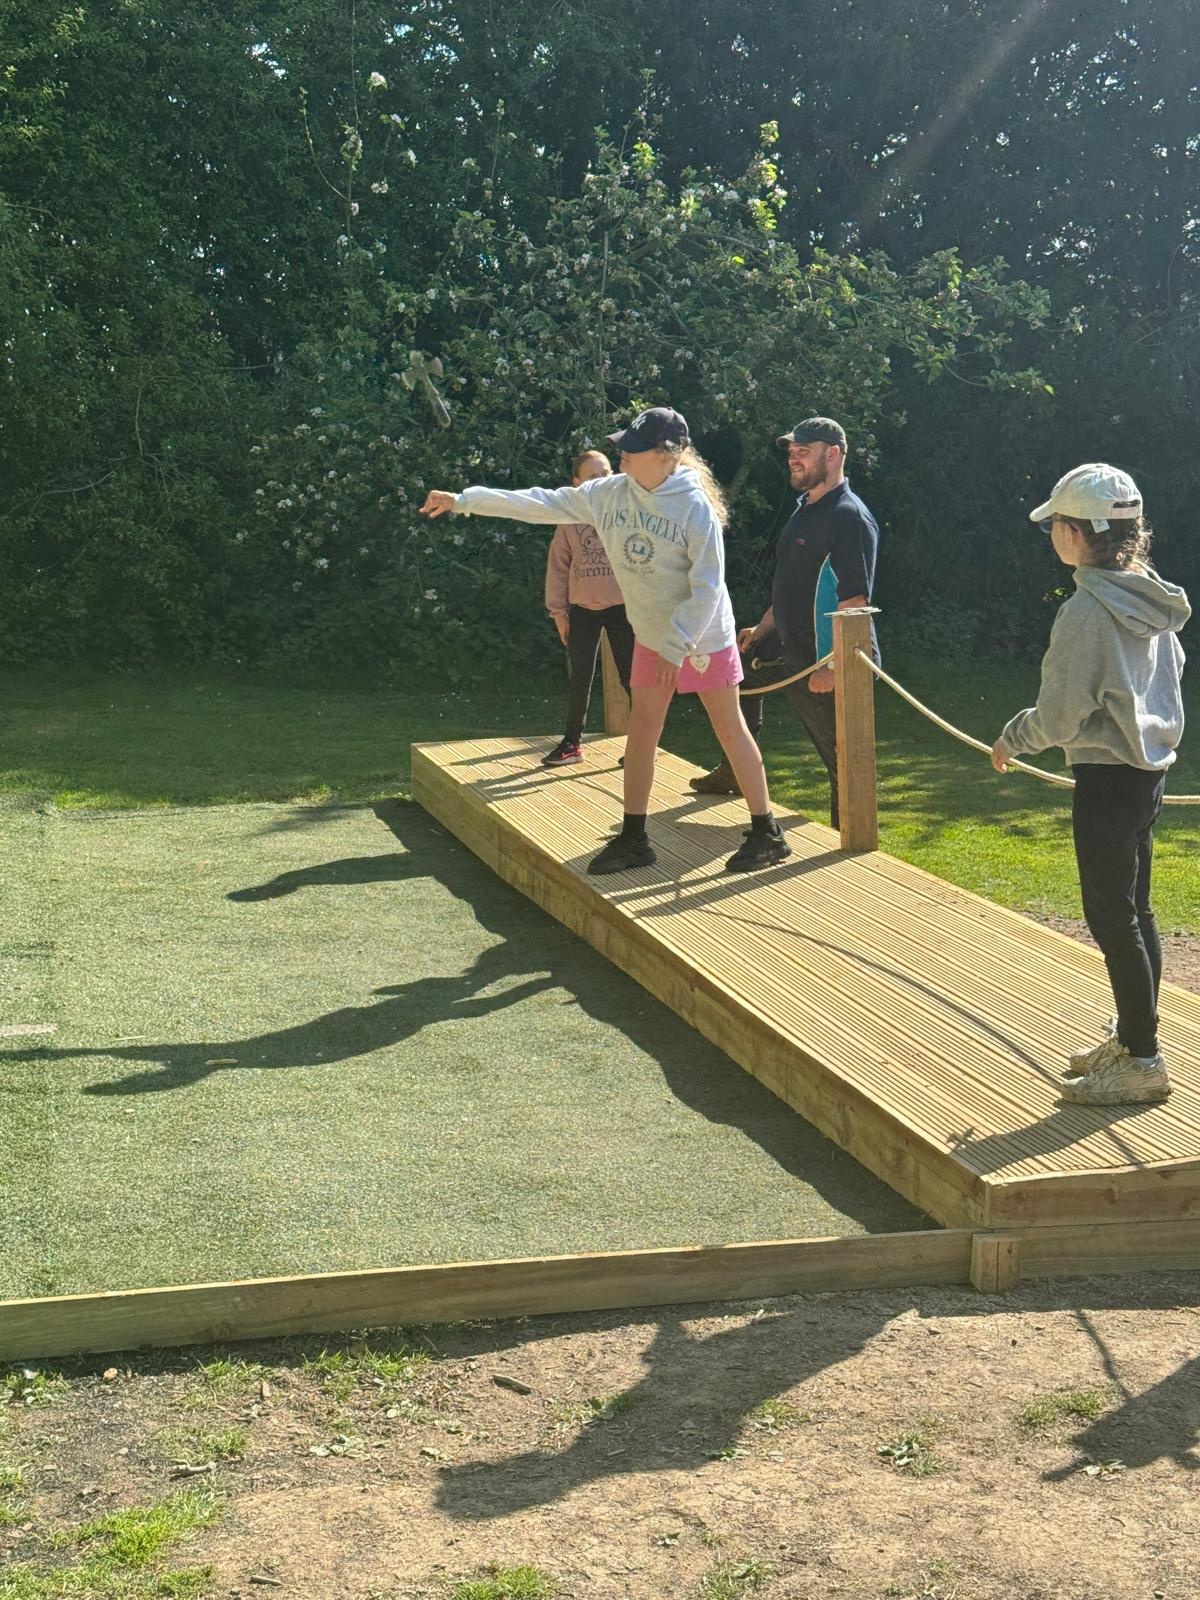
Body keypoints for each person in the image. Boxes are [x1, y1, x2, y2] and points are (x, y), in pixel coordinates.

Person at [419, 406, 790, 876]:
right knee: (642, 732)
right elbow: (543, 503)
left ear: (666, 455)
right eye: (623, 447)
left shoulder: (694, 507)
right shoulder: (609, 493)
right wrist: (463, 500)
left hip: (702, 639)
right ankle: (634, 839)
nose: (623, 455)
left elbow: (709, 587)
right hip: (653, 635)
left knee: (730, 729)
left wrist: (676, 647)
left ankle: (766, 833)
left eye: (633, 449)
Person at [991, 463, 1190, 1107]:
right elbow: (1170, 676)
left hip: (1107, 779)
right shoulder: (1147, 593)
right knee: (1136, 909)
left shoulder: (1085, 611)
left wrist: (1013, 737)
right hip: (1147, 773)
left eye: (1056, 523)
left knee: (1111, 917)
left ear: (1078, 533)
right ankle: (1135, 1040)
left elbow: (1060, 715)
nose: (1052, 532)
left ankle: (1142, 1060)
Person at [690, 417, 879, 830]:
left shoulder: (848, 517)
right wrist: (761, 630)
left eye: (803, 451)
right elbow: (792, 584)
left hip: (828, 659)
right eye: (792, 451)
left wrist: (834, 666)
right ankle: (734, 771)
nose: (793, 458)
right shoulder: (805, 509)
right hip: (788, 649)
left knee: (843, 761)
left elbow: (855, 603)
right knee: (737, 675)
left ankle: (851, 846)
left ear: (834, 454)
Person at [541, 449, 635, 767]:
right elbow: (557, 567)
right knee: (579, 678)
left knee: (632, 678)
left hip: (624, 608)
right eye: (593, 476)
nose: (602, 480)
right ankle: (572, 744)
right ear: (577, 483)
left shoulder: (628, 513)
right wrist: (558, 613)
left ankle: (642, 745)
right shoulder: (569, 518)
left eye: (606, 474)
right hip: (582, 609)